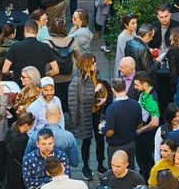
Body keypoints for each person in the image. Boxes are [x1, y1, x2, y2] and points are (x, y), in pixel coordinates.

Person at [68, 52, 98, 180]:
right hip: (85, 115)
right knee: (86, 142)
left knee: (100, 140)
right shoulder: (77, 81)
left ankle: (100, 165)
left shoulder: (95, 75)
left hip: (96, 113)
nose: (95, 64)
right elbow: (74, 103)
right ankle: (85, 166)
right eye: (93, 62)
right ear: (86, 64)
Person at [24, 104, 79, 168]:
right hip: (61, 175)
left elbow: (27, 158)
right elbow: (74, 163)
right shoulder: (69, 137)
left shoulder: (35, 135)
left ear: (45, 115)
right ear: (60, 115)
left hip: (39, 174)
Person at [102, 78, 142, 166]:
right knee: (130, 170)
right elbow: (139, 125)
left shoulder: (112, 109)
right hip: (130, 144)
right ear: (125, 88)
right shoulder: (136, 104)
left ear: (113, 90)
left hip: (115, 147)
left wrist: (102, 128)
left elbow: (109, 132)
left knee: (116, 173)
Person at [46, 18, 77, 110]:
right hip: (69, 77)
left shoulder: (47, 42)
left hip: (53, 77)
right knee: (68, 101)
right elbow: (79, 56)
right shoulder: (72, 41)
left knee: (53, 102)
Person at [133, 72, 160, 173]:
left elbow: (155, 122)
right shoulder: (145, 94)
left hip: (145, 137)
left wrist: (141, 130)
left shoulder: (151, 100)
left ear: (145, 84)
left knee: (145, 162)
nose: (135, 87)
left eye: (137, 85)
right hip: (143, 135)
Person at [4, 112, 34, 189]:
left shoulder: (12, 130)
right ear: (26, 125)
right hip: (17, 171)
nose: (32, 127)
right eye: (31, 125)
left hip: (10, 167)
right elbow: (23, 157)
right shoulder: (20, 140)